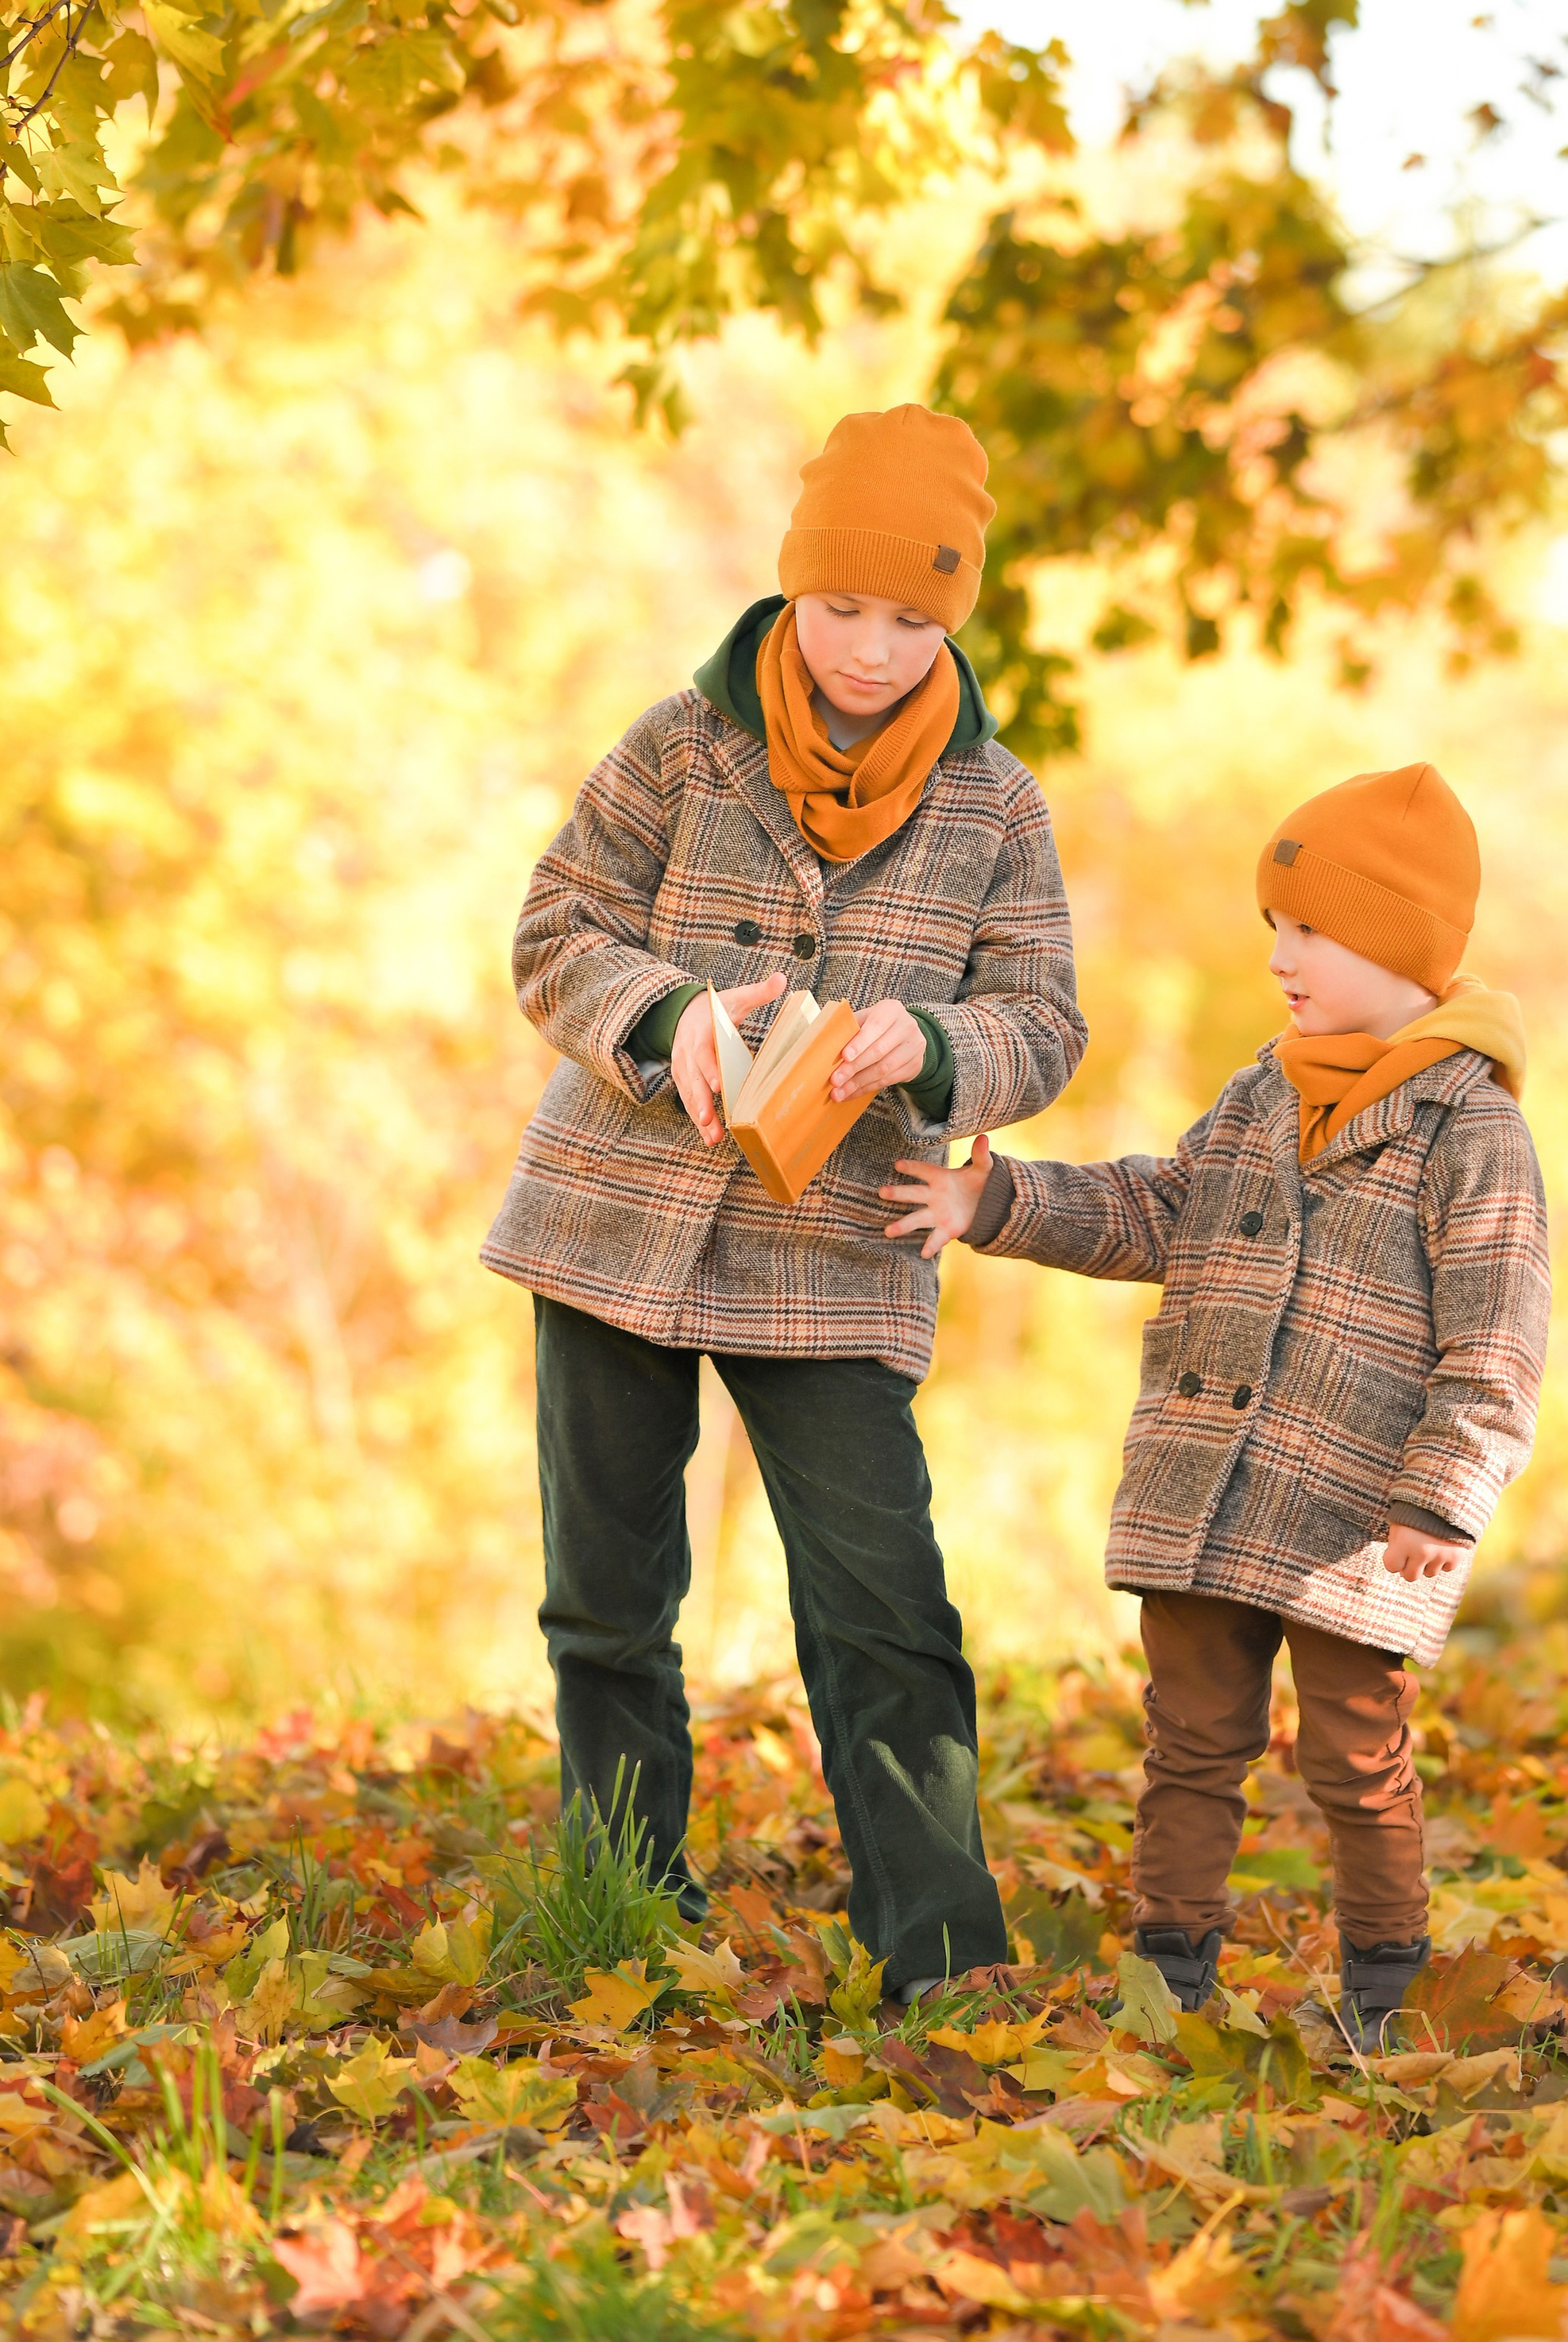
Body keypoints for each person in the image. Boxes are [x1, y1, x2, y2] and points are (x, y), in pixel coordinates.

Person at [482, 404, 1087, 1999]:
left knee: (885, 1609)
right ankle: (627, 1918)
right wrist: (671, 1016)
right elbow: (554, 931)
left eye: (911, 620)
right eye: (841, 608)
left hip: (838, 1247)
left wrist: (938, 1043)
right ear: (792, 586)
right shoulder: (682, 744)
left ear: (952, 619)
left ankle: (939, 1961)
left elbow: (1044, 1021)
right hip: (612, 1221)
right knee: (606, 1601)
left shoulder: (997, 806)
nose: (871, 650)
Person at [882, 763, 1549, 2044]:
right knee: (1190, 1742)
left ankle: (1387, 1990)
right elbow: (1159, 1210)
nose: (1282, 957)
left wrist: (1444, 1493)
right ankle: (1168, 1978)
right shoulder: (1261, 1093)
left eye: (1314, 931)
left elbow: (1499, 1333)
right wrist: (993, 1200)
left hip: (1361, 1515)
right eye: (1274, 927)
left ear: (1404, 946)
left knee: (1355, 1756)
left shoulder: (1471, 1130)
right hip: (1209, 1488)